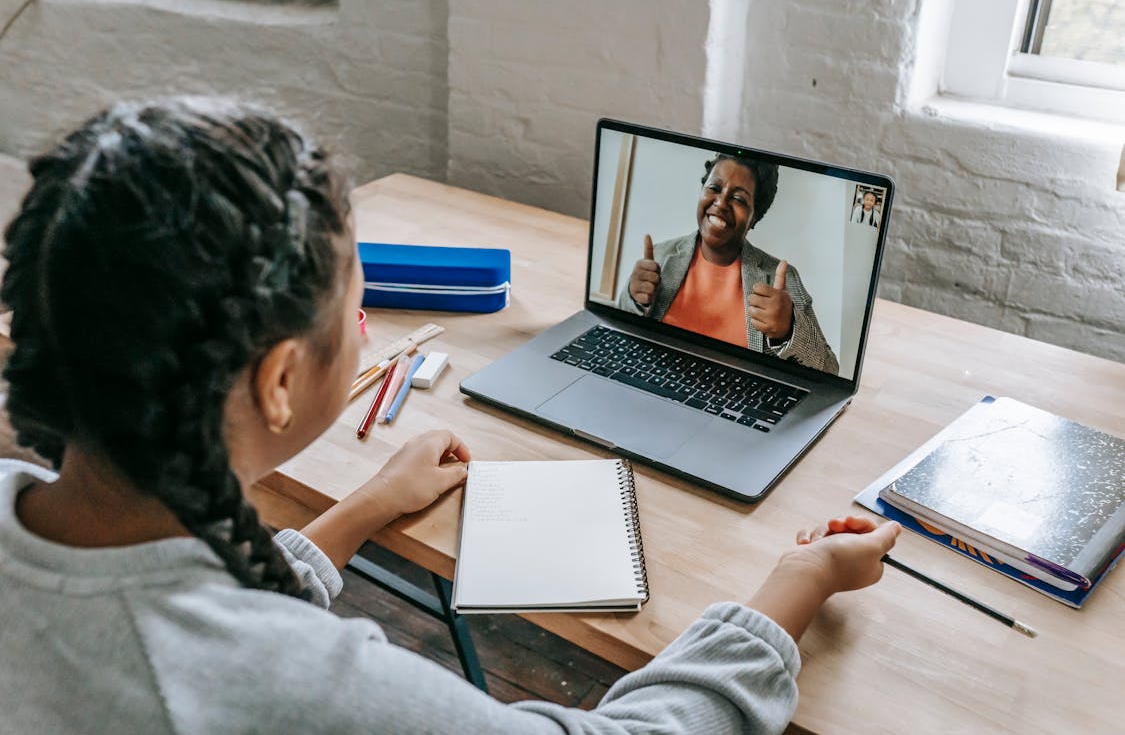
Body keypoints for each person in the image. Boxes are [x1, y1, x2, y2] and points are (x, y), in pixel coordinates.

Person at [0, 99, 900, 734]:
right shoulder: (302, 685)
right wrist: (797, 583)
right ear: (279, 381)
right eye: (355, 303)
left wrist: (356, 512)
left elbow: (181, 598)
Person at [617, 154, 840, 375]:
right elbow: (620, 339)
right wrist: (632, 299)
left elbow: (829, 370)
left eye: (739, 199)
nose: (721, 203)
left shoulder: (780, 278)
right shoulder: (660, 257)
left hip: (735, 403)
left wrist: (788, 330)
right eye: (714, 187)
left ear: (754, 218)